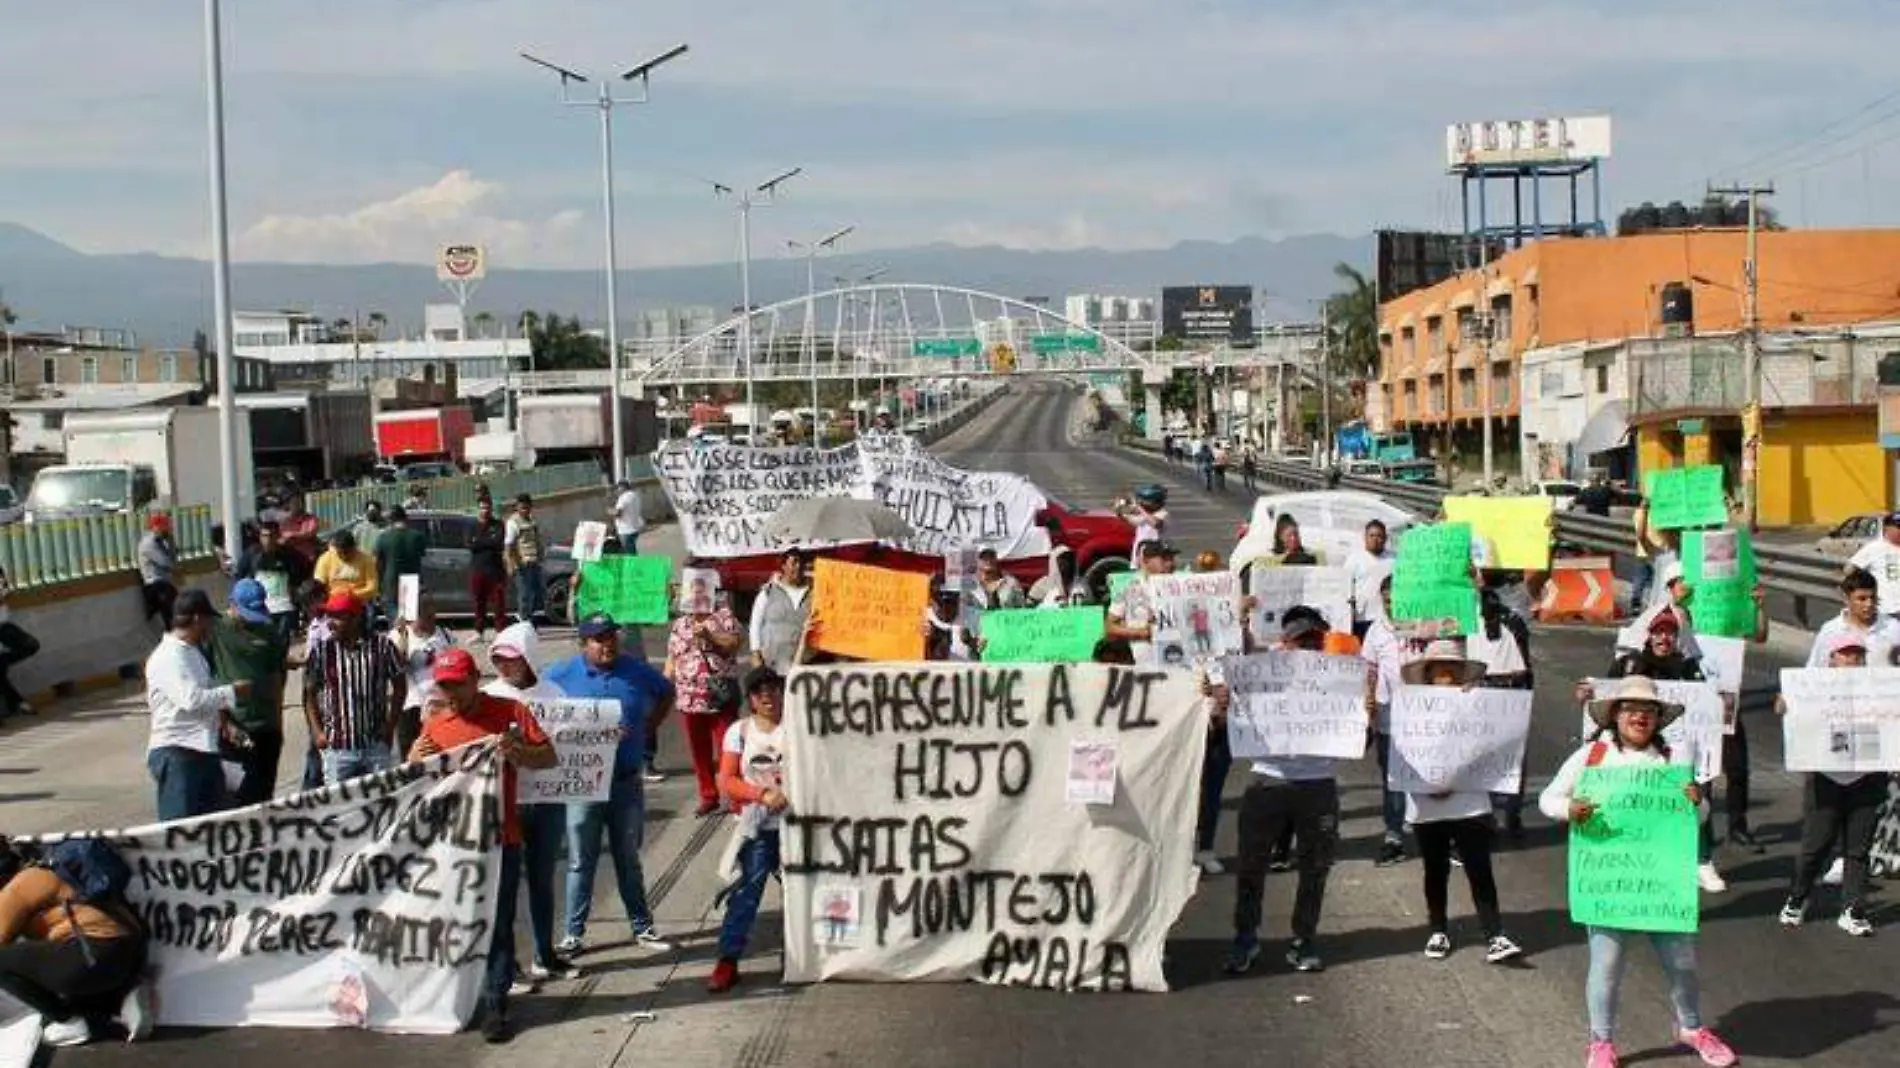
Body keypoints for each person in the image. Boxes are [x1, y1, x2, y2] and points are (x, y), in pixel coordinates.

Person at [1540, 676, 1737, 1068]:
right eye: (1631, 709)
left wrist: (1698, 802)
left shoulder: (1673, 761)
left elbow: (1697, 819)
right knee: (1607, 965)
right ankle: (1601, 1041)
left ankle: (1692, 1027)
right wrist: (1569, 810)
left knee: (1682, 964)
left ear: (1658, 719)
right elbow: (1549, 798)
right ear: (1615, 715)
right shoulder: (1592, 757)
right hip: (1609, 880)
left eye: (1647, 711)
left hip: (1662, 884)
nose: (1639, 717)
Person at [408, 648, 556, 1044]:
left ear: (476, 679)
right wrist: (413, 757)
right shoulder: (437, 726)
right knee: (454, 922)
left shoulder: (510, 712)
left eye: (458, 684)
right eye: (445, 686)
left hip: (501, 840)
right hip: (453, 845)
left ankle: (495, 1002)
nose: (452, 692)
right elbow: (411, 783)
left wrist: (518, 751)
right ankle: (456, 994)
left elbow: (548, 757)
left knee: (498, 922)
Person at [1224, 606, 1346, 976]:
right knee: (1250, 865)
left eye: (1315, 637)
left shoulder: (1339, 673)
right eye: (1301, 638)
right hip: (1268, 778)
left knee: (1316, 867)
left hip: (1317, 783)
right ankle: (1246, 937)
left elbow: (1359, 736)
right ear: (1285, 640)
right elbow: (1231, 679)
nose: (1309, 644)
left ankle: (1304, 939)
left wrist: (1368, 711)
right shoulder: (1264, 668)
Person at [546, 614, 676, 956]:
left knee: (628, 858)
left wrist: (650, 725)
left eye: (611, 637)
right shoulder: (561, 674)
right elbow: (537, 706)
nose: (607, 645)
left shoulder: (636, 670)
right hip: (583, 786)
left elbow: (667, 691)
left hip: (625, 783)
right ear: (583, 643)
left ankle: (642, 926)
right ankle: (573, 933)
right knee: (580, 860)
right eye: (598, 639)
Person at [1400, 639, 1524, 963]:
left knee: (1479, 866)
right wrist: (1431, 784)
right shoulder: (1409, 706)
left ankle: (1494, 933)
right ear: (1428, 673)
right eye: (1441, 668)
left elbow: (1497, 745)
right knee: (1435, 868)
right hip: (1427, 801)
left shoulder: (1479, 704)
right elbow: (1403, 753)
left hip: (1470, 799)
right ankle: (1438, 929)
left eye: (1453, 668)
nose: (1447, 674)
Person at [479, 621, 579, 992]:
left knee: (542, 881)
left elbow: (574, 740)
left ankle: (544, 954)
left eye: (513, 659)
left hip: (548, 799)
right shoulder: (489, 697)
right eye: (499, 659)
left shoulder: (554, 693)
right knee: (505, 888)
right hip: (507, 803)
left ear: (529, 659)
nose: (506, 666)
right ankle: (510, 966)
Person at [1778, 631, 1884, 936]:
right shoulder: (1812, 688)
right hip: (1827, 777)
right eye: (1845, 654)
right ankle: (1797, 898)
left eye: (1858, 655)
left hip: (1867, 776)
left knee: (1858, 848)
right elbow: (1784, 710)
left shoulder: (1881, 689)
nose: (1852, 660)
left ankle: (1852, 909)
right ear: (1832, 659)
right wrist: (1785, 706)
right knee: (1815, 846)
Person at [0, 839, 149, 1048]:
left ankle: (69, 1022)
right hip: (130, 952)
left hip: (93, 956)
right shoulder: (48, 869)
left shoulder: (19, 887)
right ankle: (121, 999)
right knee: (53, 967)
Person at [707, 667, 790, 993]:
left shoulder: (799, 727)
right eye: (759, 692)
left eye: (773, 689)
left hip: (796, 826)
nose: (767, 696)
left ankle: (807, 954)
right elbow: (726, 781)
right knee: (745, 895)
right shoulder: (739, 732)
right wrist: (762, 794)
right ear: (751, 700)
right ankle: (727, 961)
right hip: (758, 828)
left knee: (804, 893)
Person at [145, 589, 248, 820]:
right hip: (178, 752)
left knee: (218, 824)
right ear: (197, 619)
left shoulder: (192, 653)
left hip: (203, 749)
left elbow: (208, 691)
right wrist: (233, 691)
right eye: (209, 621)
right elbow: (191, 700)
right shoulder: (169, 657)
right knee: (181, 830)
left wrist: (225, 722)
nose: (211, 627)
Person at [302, 592, 405, 785]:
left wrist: (390, 726)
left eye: (337, 616)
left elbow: (400, 685)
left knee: (379, 804)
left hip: (375, 745)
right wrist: (317, 732)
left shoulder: (382, 647)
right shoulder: (322, 651)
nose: (330, 622)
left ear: (356, 618)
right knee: (339, 810)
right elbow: (309, 693)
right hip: (338, 748)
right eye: (328, 616)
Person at [208, 578, 289, 807]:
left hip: (266, 727)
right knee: (236, 797)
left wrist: (277, 723)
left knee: (263, 796)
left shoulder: (269, 632)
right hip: (234, 730)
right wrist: (224, 722)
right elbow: (206, 680)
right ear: (232, 604)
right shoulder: (217, 631)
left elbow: (276, 676)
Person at [665, 588, 745, 816]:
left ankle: (737, 797)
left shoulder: (723, 617)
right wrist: (662, 684)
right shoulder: (680, 624)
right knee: (699, 751)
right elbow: (672, 657)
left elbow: (734, 643)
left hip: (718, 696)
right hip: (689, 697)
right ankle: (708, 795)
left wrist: (710, 636)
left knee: (728, 749)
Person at [1361, 576, 1418, 866]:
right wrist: (1368, 699)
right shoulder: (1376, 630)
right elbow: (1369, 668)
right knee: (1391, 778)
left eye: (1396, 598)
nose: (1391, 604)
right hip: (1388, 718)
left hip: (1422, 717)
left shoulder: (1424, 625)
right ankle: (1394, 835)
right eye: (1386, 600)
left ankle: (1432, 829)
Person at [392, 603, 455, 758]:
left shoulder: (446, 635)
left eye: (430, 612)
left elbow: (455, 664)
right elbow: (398, 664)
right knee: (411, 757)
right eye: (423, 614)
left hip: (441, 705)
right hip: (412, 706)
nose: (429, 617)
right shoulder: (397, 635)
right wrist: (402, 636)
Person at [233, 520, 310, 643]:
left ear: (278, 536)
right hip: (260, 606)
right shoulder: (251, 554)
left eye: (271, 536)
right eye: (264, 536)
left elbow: (306, 570)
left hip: (284, 607)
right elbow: (239, 577)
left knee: (282, 642)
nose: (268, 540)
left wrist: (296, 590)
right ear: (260, 537)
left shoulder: (289, 554)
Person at [1105, 541, 1178, 663]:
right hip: (1144, 656)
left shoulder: (1179, 585)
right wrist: (1141, 633)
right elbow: (1110, 627)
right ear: (1146, 561)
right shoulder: (1129, 589)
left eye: (1171, 558)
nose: (1170, 563)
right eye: (1164, 559)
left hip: (1177, 653)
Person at [1816, 566, 1900, 666]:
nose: (1869, 604)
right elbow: (1814, 671)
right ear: (1846, 598)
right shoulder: (1831, 630)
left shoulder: (1893, 627)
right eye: (1862, 599)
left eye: (1872, 597)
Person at [749, 549, 813, 674]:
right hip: (771, 664)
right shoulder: (768, 591)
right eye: (794, 563)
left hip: (804, 665)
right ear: (783, 566)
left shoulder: (814, 592)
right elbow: (755, 625)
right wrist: (756, 655)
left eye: (801, 563)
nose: (798, 566)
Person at [0, 566, 41, 721]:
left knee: (31, 645)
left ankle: (16, 703)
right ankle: (18, 703)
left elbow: (5, 591)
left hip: (3, 626)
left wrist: (4, 593)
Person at [374, 506, 428, 620]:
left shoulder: (383, 538)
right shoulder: (417, 537)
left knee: (394, 620)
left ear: (390, 520)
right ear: (405, 518)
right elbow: (421, 557)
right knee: (409, 619)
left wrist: (378, 587)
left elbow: (378, 564)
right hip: (411, 580)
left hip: (391, 582)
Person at [1345, 520, 1395, 639]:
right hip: (1363, 617)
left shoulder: (1394, 559)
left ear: (1385, 538)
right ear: (1365, 537)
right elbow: (1345, 586)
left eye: (1379, 536)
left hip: (1387, 618)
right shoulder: (1354, 559)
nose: (1375, 539)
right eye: (1371, 535)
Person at [469, 498, 510, 643]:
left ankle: (500, 632)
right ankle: (479, 632)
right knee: (479, 602)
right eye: (482, 508)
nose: (485, 511)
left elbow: (498, 543)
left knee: (498, 602)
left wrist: (480, 541)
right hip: (478, 569)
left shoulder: (498, 525)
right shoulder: (472, 525)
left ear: (491, 509)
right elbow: (470, 544)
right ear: (478, 509)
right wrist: (487, 541)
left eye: (487, 508)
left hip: (495, 570)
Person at [1846, 511, 1900, 619]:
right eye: (1898, 527)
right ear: (1886, 528)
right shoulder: (1874, 548)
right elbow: (1849, 570)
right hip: (1887, 609)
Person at [506, 494, 548, 627]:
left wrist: (541, 555)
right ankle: (523, 621)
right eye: (522, 507)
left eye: (527, 507)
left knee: (536, 594)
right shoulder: (513, 522)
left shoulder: (532, 521)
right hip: (522, 564)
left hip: (534, 562)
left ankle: (529, 619)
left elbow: (537, 540)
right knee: (524, 595)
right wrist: (511, 564)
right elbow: (509, 545)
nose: (525, 510)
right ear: (517, 507)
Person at [313, 529, 380, 605]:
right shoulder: (325, 558)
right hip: (332, 603)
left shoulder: (366, 560)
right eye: (340, 553)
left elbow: (372, 588)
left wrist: (351, 595)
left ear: (354, 547)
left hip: (357, 604)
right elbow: (319, 584)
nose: (344, 556)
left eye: (347, 552)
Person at [138, 513, 179, 625]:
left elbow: (174, 563)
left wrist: (171, 542)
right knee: (171, 614)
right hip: (155, 585)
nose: (167, 531)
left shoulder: (161, 542)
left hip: (165, 583)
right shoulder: (149, 544)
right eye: (164, 528)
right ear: (156, 528)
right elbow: (168, 563)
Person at [1113, 485, 1168, 561]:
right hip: (1140, 552)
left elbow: (1155, 523)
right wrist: (1121, 514)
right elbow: (1135, 521)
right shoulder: (1146, 515)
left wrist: (1140, 508)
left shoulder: (1163, 513)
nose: (1144, 503)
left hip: (1155, 553)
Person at [278, 493, 322, 566]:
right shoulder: (284, 520)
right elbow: (281, 537)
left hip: (307, 556)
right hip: (289, 557)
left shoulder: (311, 518)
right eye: (293, 503)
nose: (296, 505)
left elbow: (309, 533)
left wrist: (292, 535)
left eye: (299, 502)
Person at [613, 479, 646, 555]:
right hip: (634, 527)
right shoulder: (635, 495)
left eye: (618, 487)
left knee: (628, 552)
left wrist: (610, 512)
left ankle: (634, 566)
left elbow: (618, 513)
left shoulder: (623, 497)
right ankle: (635, 564)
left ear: (622, 487)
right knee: (632, 550)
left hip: (625, 529)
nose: (617, 490)